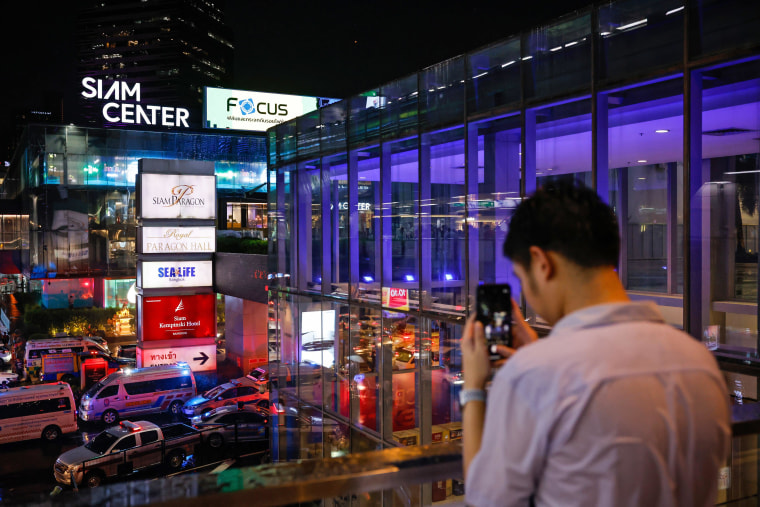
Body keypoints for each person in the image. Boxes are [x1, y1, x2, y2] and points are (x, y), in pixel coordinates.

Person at [460, 183, 730, 506]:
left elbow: (485, 501)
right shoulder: (699, 362)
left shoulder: (531, 377)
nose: (526, 294)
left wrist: (474, 389)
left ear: (542, 263)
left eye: (521, 277)